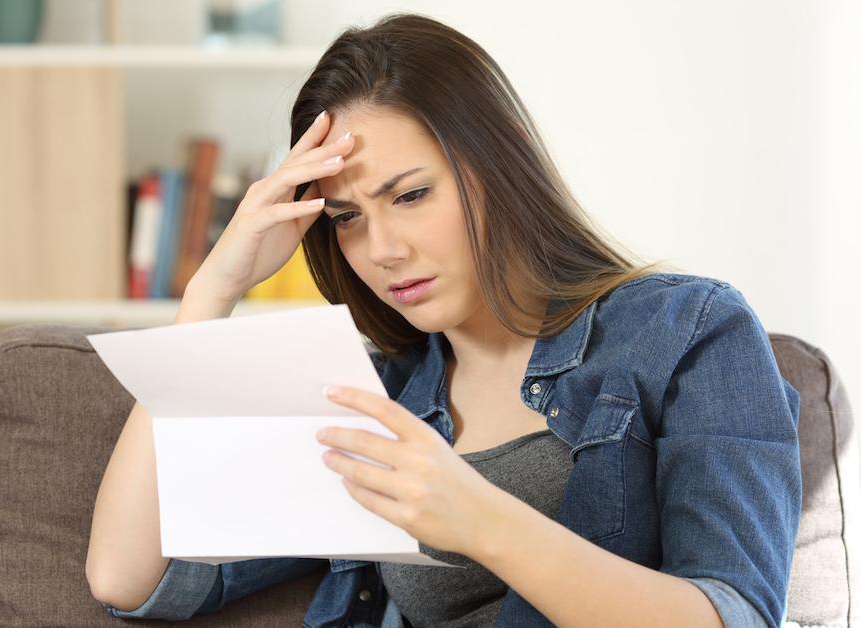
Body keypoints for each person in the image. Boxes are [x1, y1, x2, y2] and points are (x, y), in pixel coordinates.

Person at [86, 12, 801, 628]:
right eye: (347, 218)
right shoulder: (373, 393)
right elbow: (128, 577)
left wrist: (479, 519)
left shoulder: (686, 331)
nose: (384, 251)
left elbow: (730, 613)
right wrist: (214, 287)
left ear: (501, 155)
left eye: (410, 195)